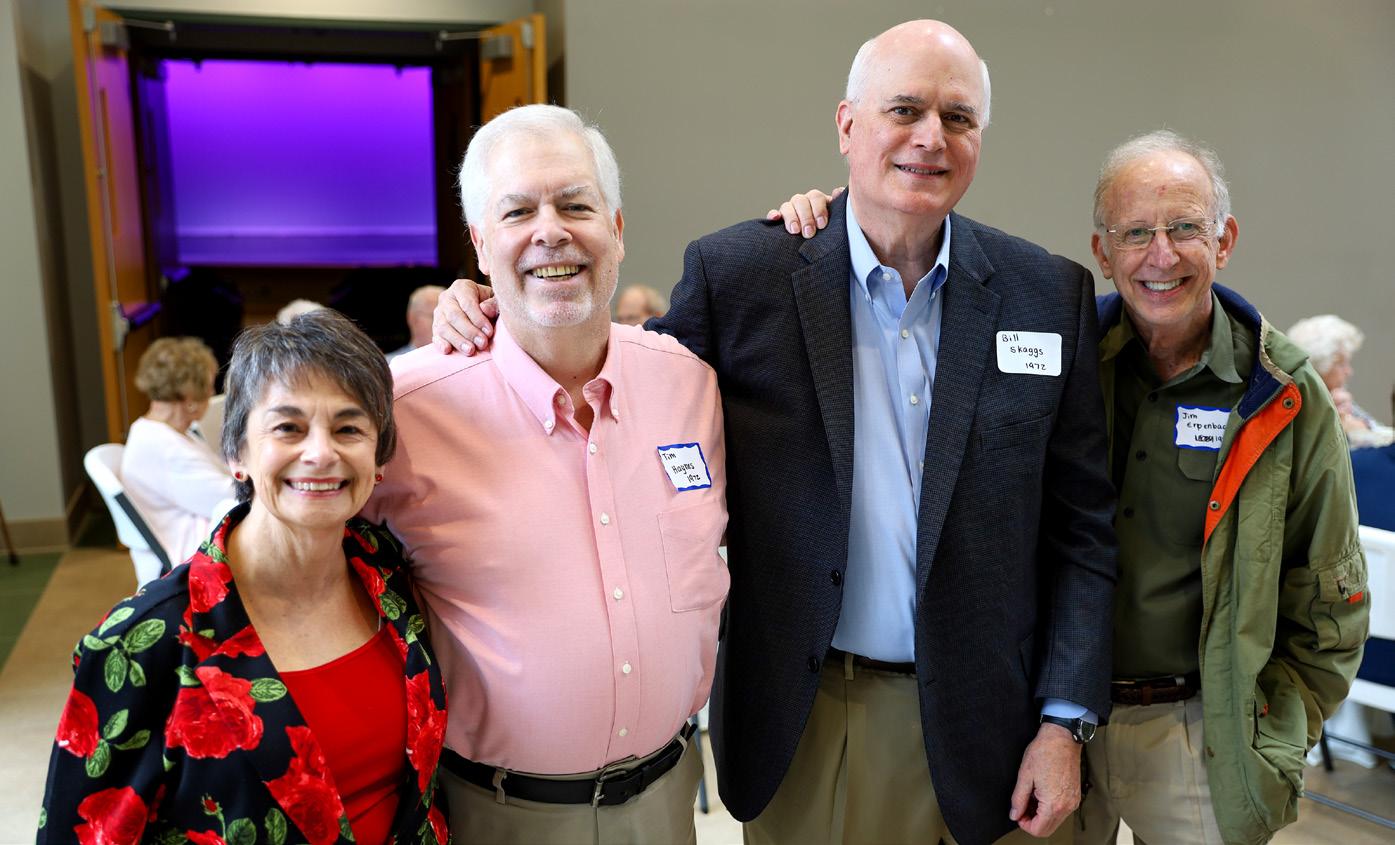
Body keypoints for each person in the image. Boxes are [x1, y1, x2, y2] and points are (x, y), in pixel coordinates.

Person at [433, 21, 1116, 845]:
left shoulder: (1047, 294)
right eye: (903, 110)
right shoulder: (743, 277)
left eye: (958, 117)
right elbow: (615, 379)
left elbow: (1082, 529)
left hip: (1003, 729)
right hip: (816, 717)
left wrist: (1065, 721)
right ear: (846, 126)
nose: (930, 137)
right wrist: (489, 307)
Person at [776, 129, 1370, 844]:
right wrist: (838, 218)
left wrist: (1277, 729)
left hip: (1197, 731)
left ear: (1225, 240)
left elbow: (1331, 591)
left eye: (1185, 228)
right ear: (1102, 253)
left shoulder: (1280, 392)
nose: (1160, 255)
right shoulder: (1053, 351)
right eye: (1135, 233)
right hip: (1041, 724)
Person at [363, 104, 726, 845]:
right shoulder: (405, 412)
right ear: (480, 244)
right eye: (518, 211)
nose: (550, 231)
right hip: (496, 813)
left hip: (668, 800)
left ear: (617, 229)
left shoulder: (691, 385)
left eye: (576, 205)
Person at [40, 310, 450, 845]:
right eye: (288, 428)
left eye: (348, 428)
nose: (321, 453)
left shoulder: (389, 573)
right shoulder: (142, 642)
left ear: (378, 460)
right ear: (236, 454)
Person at [123, 337, 236, 584]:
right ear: (190, 396)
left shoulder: (153, 431)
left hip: (192, 534)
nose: (212, 393)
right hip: (191, 556)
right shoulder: (164, 448)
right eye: (209, 386)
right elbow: (231, 498)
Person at [1286, 314, 1393, 448]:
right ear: (1318, 366)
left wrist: (1357, 425)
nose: (1349, 371)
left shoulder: (1341, 401)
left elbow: (1380, 433)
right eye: (1341, 364)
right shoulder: (1297, 408)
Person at [387, 285, 445, 361]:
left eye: (447, 318)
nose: (443, 324)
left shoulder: (458, 362)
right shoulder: (390, 365)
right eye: (434, 317)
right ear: (413, 318)